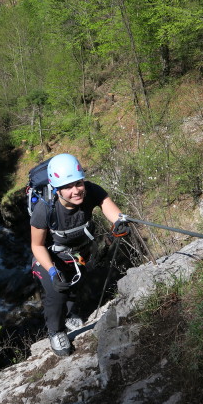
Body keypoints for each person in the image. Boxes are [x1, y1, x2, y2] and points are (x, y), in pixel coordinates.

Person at [30, 153, 130, 357]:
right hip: (49, 258)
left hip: (78, 254)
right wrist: (51, 272)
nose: (75, 191)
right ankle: (56, 331)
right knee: (57, 292)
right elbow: (37, 245)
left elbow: (107, 206)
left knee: (75, 285)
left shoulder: (91, 191)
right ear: (57, 189)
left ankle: (71, 314)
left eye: (78, 183)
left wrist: (119, 221)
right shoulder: (45, 209)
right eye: (67, 187)